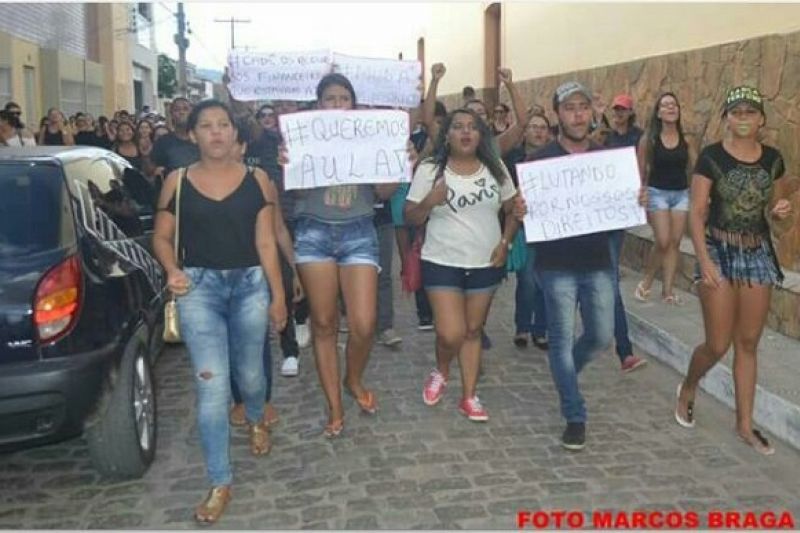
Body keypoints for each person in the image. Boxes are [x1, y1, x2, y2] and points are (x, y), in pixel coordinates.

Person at [152, 99, 287, 524]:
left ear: (234, 133)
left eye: (223, 125)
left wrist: (279, 295)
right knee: (211, 387)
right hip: (198, 289)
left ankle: (255, 416)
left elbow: (266, 242)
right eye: (206, 126)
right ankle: (219, 481)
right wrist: (172, 269)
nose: (215, 132)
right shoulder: (176, 181)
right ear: (192, 135)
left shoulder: (258, 179)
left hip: (249, 285)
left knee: (250, 374)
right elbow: (160, 237)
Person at [514, 81, 647, 450]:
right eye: (569, 107)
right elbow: (522, 208)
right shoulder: (539, 161)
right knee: (559, 337)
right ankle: (575, 414)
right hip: (555, 263)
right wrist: (519, 210)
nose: (577, 114)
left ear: (592, 113)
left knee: (601, 336)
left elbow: (623, 208)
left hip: (597, 260)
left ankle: (565, 369)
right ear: (558, 114)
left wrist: (636, 197)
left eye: (583, 107)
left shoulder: (607, 160)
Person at [675, 86, 793, 456]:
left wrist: (779, 217)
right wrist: (704, 261)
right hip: (718, 249)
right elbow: (696, 211)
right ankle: (689, 385)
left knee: (748, 343)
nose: (742, 118)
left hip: (756, 253)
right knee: (717, 343)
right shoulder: (711, 158)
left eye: (749, 112)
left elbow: (778, 223)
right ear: (726, 117)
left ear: (761, 119)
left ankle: (744, 423)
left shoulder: (773, 160)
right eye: (735, 112)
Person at [285, 73, 404, 438]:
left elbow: (382, 192)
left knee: (364, 324)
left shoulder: (371, 137)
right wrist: (291, 161)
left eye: (344, 99)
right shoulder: (301, 137)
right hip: (313, 232)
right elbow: (298, 192)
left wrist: (397, 166)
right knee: (323, 323)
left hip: (358, 231)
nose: (337, 105)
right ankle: (335, 405)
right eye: (329, 99)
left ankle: (353, 377)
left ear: (353, 104)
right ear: (318, 105)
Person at [405, 108, 519, 422]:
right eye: (458, 127)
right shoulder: (430, 169)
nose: (466, 133)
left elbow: (513, 209)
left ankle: (469, 396)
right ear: (448, 134)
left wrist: (506, 242)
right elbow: (410, 216)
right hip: (441, 260)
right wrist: (430, 200)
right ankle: (442, 370)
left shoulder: (495, 168)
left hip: (486, 261)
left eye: (472, 127)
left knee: (472, 330)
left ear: (481, 134)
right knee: (450, 332)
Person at [634, 93, 695, 305]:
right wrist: (640, 192)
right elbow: (640, 171)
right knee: (663, 240)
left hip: (680, 194)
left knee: (675, 242)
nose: (671, 108)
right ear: (658, 112)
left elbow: (693, 169)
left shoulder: (686, 140)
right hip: (656, 193)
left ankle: (667, 291)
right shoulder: (648, 139)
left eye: (674, 105)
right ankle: (647, 281)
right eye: (665, 105)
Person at [602, 93, 646, 372]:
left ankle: (624, 349)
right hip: (583, 218)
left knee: (609, 279)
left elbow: (639, 174)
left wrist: (639, 195)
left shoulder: (639, 138)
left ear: (630, 113)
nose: (618, 114)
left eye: (623, 110)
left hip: (613, 217)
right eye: (615, 109)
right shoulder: (601, 137)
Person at [503, 113, 551, 349]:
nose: (538, 132)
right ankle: (522, 327)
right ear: (525, 131)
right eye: (533, 127)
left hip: (550, 227)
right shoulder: (513, 159)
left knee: (545, 281)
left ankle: (540, 329)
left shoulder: (555, 159)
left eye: (543, 127)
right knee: (527, 281)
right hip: (523, 226)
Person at [151, 97, 200, 178]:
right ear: (172, 114)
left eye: (185, 109)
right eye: (177, 109)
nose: (181, 112)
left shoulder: (202, 140)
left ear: (192, 113)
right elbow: (152, 170)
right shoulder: (162, 142)